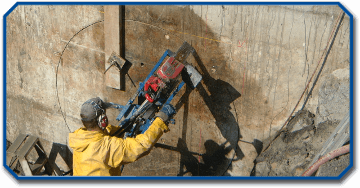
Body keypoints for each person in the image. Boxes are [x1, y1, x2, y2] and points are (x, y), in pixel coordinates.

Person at [69, 97, 175, 176]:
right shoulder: (106, 147)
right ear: (103, 120)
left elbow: (103, 134)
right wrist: (161, 120)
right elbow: (141, 145)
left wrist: (123, 128)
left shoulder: (79, 136)